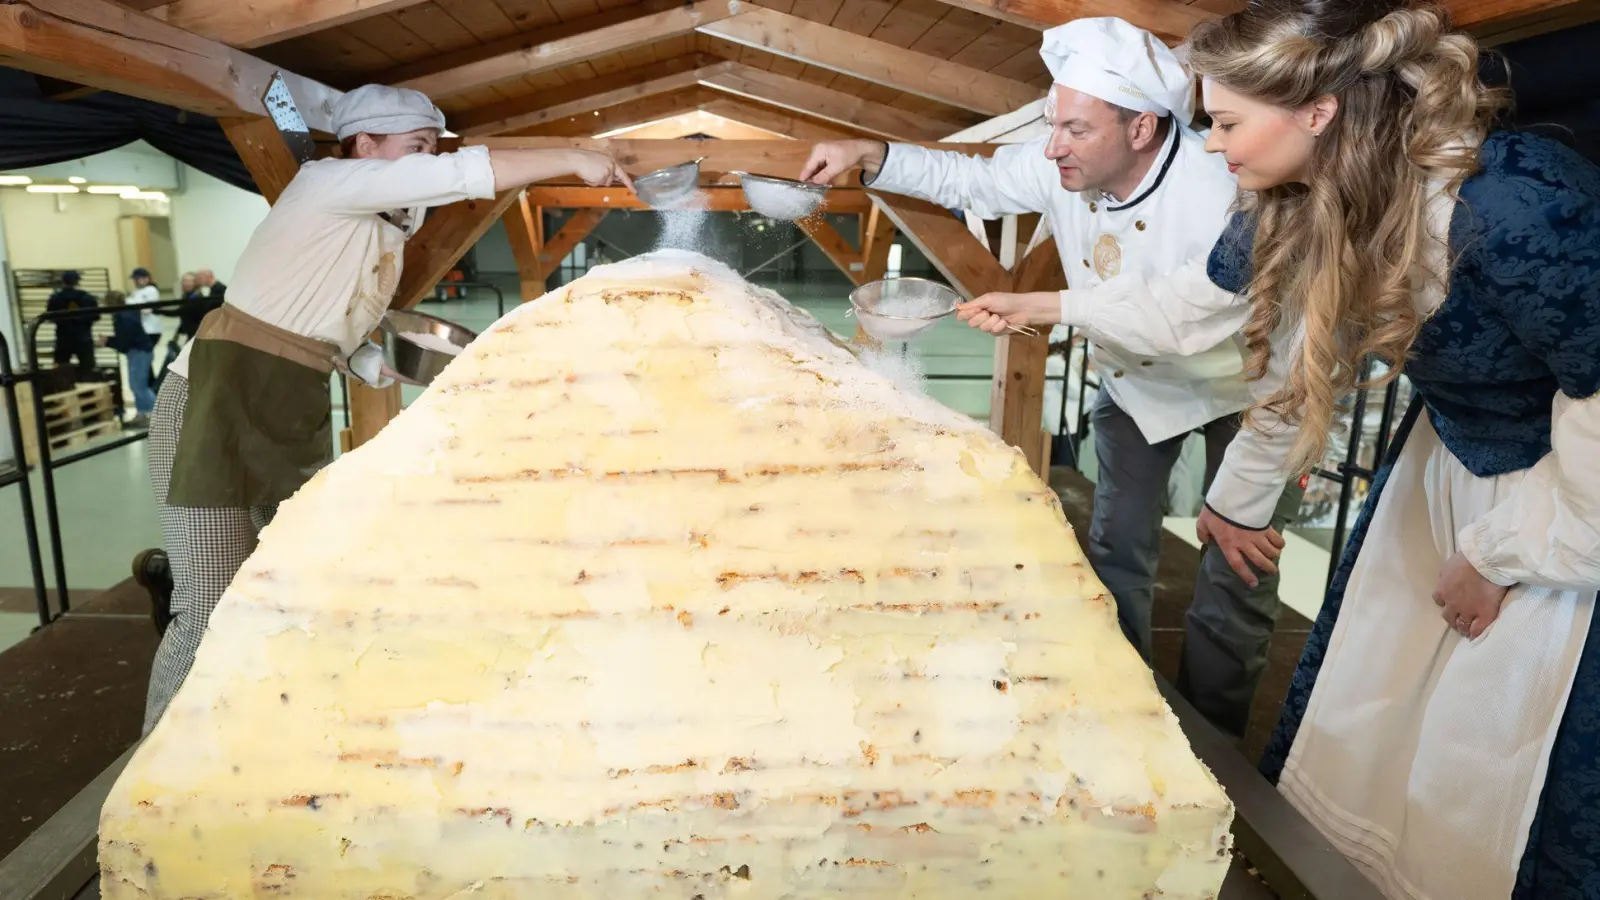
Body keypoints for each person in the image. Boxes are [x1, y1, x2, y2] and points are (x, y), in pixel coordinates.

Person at [960, 1, 1600, 897]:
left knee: (1491, 750)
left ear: (1319, 112)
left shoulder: (1515, 204)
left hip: (1563, 504)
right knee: (1381, 720)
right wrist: (1233, 501)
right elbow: (1240, 330)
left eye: (1226, 123)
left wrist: (1499, 556)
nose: (1213, 145)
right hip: (1446, 467)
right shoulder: (1293, 197)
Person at [799, 16, 1305, 740]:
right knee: (1116, 553)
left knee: (1237, 573)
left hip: (1253, 391)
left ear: (1140, 128)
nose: (1052, 147)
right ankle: (1125, 714)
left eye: (1075, 129)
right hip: (1136, 387)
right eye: (1052, 125)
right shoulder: (1065, 165)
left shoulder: (1224, 185)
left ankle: (1212, 738)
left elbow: (1181, 314)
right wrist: (871, 154)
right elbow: (974, 179)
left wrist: (1045, 304)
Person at [134, 83, 633, 733]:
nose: (429, 158)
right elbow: (459, 174)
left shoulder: (382, 228)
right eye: (417, 146)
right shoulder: (328, 183)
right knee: (207, 606)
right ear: (365, 146)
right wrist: (575, 157)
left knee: (284, 582)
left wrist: (382, 363)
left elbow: (325, 333)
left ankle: (248, 730)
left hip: (286, 412)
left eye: (432, 147)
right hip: (212, 405)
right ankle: (154, 755)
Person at [98, 290, 158, 428]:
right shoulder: (128, 312)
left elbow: (123, 342)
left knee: (139, 386)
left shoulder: (123, 318)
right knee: (137, 385)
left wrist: (107, 341)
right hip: (139, 351)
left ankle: (157, 415)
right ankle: (142, 413)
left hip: (139, 352)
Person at [46, 270, 98, 380]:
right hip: (83, 338)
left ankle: (63, 387)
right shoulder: (88, 298)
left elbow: (50, 317)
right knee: (87, 369)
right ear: (77, 281)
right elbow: (95, 316)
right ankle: (88, 387)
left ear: (63, 282)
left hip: (63, 338)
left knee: (61, 369)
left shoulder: (55, 299)